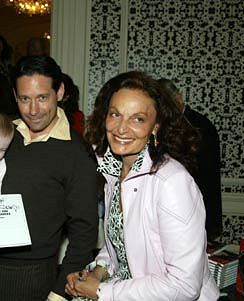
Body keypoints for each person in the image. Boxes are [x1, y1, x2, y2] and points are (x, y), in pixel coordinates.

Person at [65, 71, 219, 300]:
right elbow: (120, 244)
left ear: (155, 127)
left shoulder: (172, 183)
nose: (121, 128)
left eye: (137, 119)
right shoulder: (113, 171)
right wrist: (95, 274)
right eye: (115, 114)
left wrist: (100, 291)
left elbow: (185, 286)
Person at [0, 55, 99, 301]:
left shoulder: (76, 151)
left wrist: (60, 291)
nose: (33, 110)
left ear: (59, 91)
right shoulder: (1, 133)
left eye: (42, 98)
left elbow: (84, 231)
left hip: (33, 280)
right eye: (24, 99)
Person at [158, 78, 223, 241]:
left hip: (194, 206)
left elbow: (203, 175)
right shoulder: (174, 123)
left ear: (178, 98)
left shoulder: (198, 126)